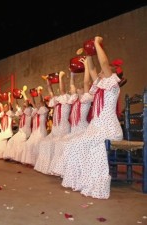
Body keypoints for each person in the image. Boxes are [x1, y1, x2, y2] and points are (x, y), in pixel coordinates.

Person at [60, 36, 123, 199]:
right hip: (97, 128)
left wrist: (96, 43)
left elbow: (102, 64)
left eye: (105, 70)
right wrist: (88, 55)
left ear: (112, 73)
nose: (101, 72)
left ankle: (95, 182)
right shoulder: (101, 87)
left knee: (80, 143)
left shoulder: (112, 86)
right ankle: (81, 181)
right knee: (73, 144)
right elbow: (94, 70)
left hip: (108, 129)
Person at [50, 57, 93, 176]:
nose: (77, 88)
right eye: (76, 89)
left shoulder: (86, 99)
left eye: (82, 88)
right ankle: (66, 171)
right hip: (74, 131)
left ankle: (74, 173)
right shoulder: (74, 100)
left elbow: (85, 82)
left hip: (82, 131)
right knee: (61, 143)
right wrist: (72, 73)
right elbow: (72, 85)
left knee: (69, 144)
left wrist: (87, 67)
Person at [34, 71, 72, 174]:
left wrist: (60, 77)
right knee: (44, 142)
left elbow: (63, 90)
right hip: (56, 128)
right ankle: (47, 167)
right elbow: (50, 91)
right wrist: (47, 81)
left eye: (61, 88)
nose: (60, 90)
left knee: (57, 145)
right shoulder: (56, 101)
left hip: (63, 127)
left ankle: (59, 168)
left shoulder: (66, 99)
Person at [20, 87, 48, 166]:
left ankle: (37, 162)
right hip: (35, 133)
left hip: (41, 132)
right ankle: (30, 162)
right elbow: (32, 102)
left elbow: (41, 101)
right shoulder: (36, 111)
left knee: (35, 145)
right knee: (28, 144)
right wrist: (30, 95)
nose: (38, 104)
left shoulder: (44, 110)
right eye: (37, 104)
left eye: (40, 104)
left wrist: (39, 93)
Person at [3, 87, 32, 162]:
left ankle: (18, 158)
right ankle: (11, 156)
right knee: (11, 141)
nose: (23, 107)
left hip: (26, 132)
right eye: (23, 106)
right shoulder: (23, 113)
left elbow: (27, 102)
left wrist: (24, 94)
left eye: (25, 106)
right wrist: (16, 97)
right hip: (20, 132)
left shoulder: (29, 111)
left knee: (18, 143)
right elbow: (16, 105)